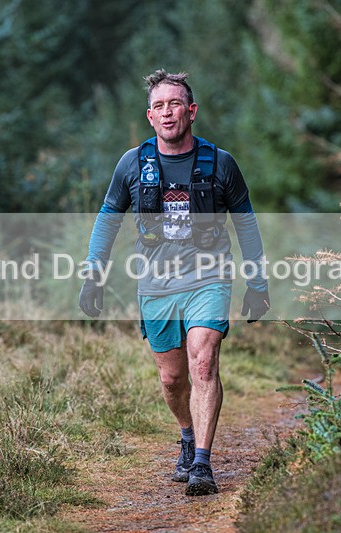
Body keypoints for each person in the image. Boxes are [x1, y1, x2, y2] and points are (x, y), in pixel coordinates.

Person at [79, 69, 269, 496]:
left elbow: (246, 224)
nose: (168, 112)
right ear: (150, 116)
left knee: (203, 361)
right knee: (172, 379)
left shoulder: (221, 164)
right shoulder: (132, 163)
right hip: (156, 283)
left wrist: (257, 282)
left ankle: (202, 462)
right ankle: (186, 435)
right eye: (159, 106)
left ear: (191, 110)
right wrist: (94, 274)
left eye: (175, 104)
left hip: (209, 277)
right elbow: (108, 219)